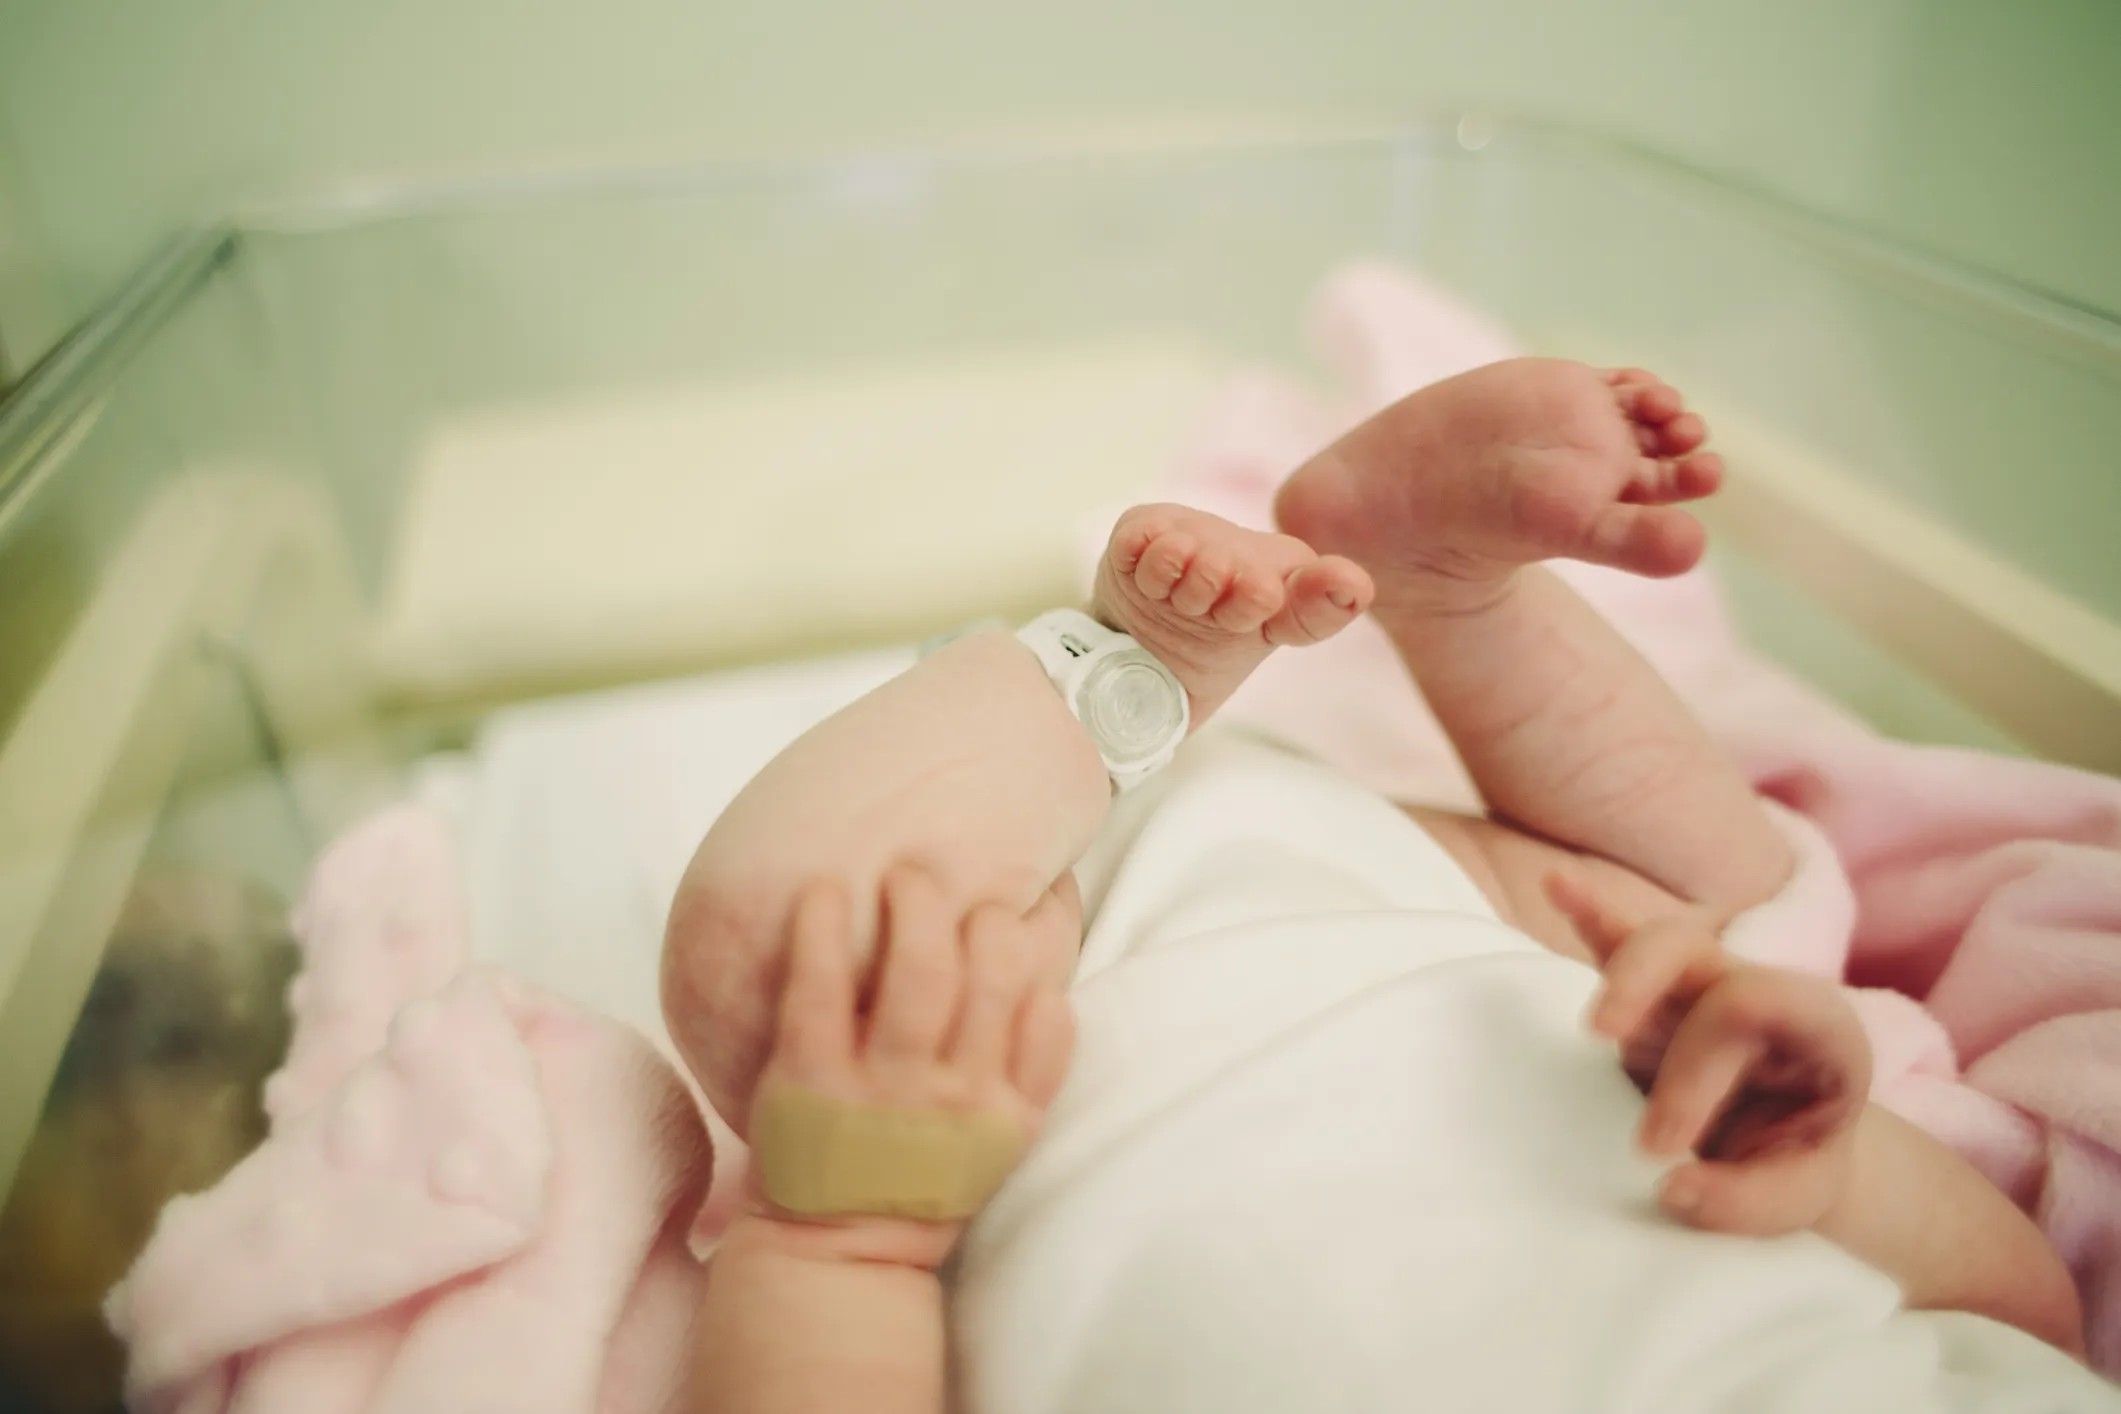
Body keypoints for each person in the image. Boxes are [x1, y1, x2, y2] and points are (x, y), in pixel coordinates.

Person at [664, 359, 2093, 1412]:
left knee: (783, 957)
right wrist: (1827, 1158)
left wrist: (844, 1233)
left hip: (1006, 1048)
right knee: (1723, 890)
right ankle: (1443, 586)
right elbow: (2030, 1310)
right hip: (1580, 1018)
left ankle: (1119, 686)